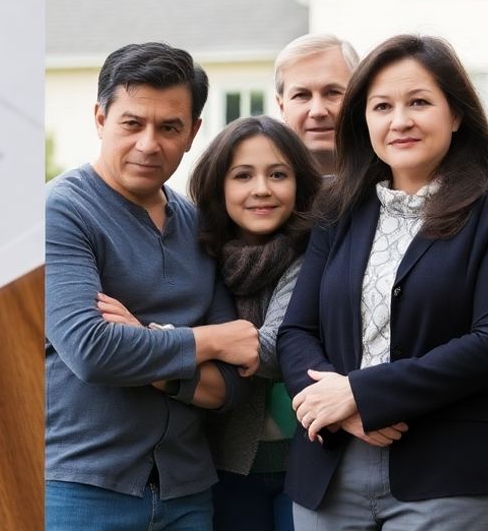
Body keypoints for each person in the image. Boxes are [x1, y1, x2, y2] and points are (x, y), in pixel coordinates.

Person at [278, 34, 488, 530]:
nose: (399, 120)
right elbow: (296, 333)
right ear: (365, 120)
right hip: (331, 466)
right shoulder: (337, 211)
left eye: (419, 102)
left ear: (456, 114)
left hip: (448, 470)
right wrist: (339, 409)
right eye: (382, 106)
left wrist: (362, 394)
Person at [45, 41, 261, 531]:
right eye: (132, 123)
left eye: (169, 128)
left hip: (186, 493)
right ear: (100, 119)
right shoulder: (61, 211)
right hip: (81, 490)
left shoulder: (201, 224)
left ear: (193, 133)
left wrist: (146, 347)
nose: (149, 143)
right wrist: (211, 341)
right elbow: (91, 351)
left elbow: (230, 385)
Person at [96, 116, 324, 531]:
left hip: (310, 463)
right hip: (224, 463)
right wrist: (195, 347)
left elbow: (272, 348)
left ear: (300, 184)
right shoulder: (201, 254)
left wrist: (148, 341)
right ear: (219, 185)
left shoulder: (314, 254)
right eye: (242, 175)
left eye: (278, 174)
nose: (261, 189)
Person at [275, 33, 360, 176]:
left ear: (358, 97)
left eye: (332, 92)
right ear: (281, 107)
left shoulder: (395, 184)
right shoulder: (263, 189)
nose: (317, 111)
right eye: (301, 95)